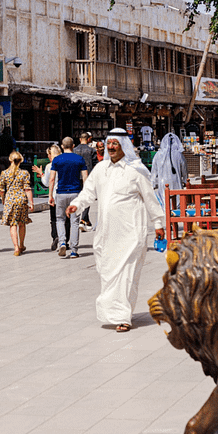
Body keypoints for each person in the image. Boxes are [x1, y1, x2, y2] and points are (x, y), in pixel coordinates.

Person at [66, 128, 165, 332]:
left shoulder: (135, 171)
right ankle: (114, 312)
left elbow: (150, 199)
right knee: (108, 273)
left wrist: (158, 224)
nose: (110, 147)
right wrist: (77, 205)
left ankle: (123, 317)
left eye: (115, 144)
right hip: (107, 234)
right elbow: (88, 192)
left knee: (127, 275)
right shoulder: (100, 170)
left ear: (123, 146)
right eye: (108, 143)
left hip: (131, 234)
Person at [48, 137, 88, 258]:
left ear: (62, 146)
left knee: (60, 219)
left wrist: (50, 195)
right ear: (73, 146)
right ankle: (74, 250)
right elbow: (85, 177)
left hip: (61, 192)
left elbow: (52, 178)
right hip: (75, 192)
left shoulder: (57, 160)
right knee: (74, 221)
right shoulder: (79, 159)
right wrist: (85, 193)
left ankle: (62, 242)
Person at [33, 144, 69, 251]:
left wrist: (41, 174)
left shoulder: (50, 166)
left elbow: (47, 183)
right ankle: (65, 240)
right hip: (67, 193)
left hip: (55, 195)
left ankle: (55, 236)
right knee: (66, 219)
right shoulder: (66, 163)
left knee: (54, 219)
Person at [0, 151, 34, 256]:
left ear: (10, 160)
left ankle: (16, 247)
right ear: (21, 160)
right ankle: (22, 244)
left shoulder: (4, 173)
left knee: (12, 224)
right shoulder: (24, 173)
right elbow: (27, 189)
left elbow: (1, 189)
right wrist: (31, 202)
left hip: (10, 200)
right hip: (21, 199)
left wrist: (3, 199)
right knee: (22, 223)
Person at [150, 132, 188, 209]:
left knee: (165, 201)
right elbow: (184, 168)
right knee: (177, 200)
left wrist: (152, 183)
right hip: (176, 181)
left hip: (163, 182)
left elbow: (154, 171)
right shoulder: (179, 155)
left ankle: (167, 214)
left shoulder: (158, 154)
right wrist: (185, 180)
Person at [74, 132, 95, 229]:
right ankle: (83, 219)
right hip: (88, 176)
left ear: (79, 139)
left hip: (76, 176)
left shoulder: (74, 150)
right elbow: (95, 164)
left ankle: (84, 219)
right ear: (88, 139)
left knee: (78, 197)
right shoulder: (91, 150)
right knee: (87, 197)